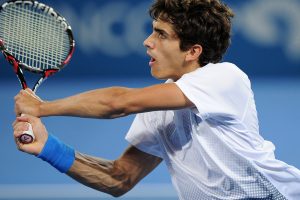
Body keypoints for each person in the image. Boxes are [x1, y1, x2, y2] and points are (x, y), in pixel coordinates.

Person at [13, 0, 300, 199]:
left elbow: (118, 103)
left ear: (193, 51)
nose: (147, 41)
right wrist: (47, 147)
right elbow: (119, 178)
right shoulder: (160, 109)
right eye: (153, 31)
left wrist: (42, 108)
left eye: (161, 35)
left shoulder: (225, 77)